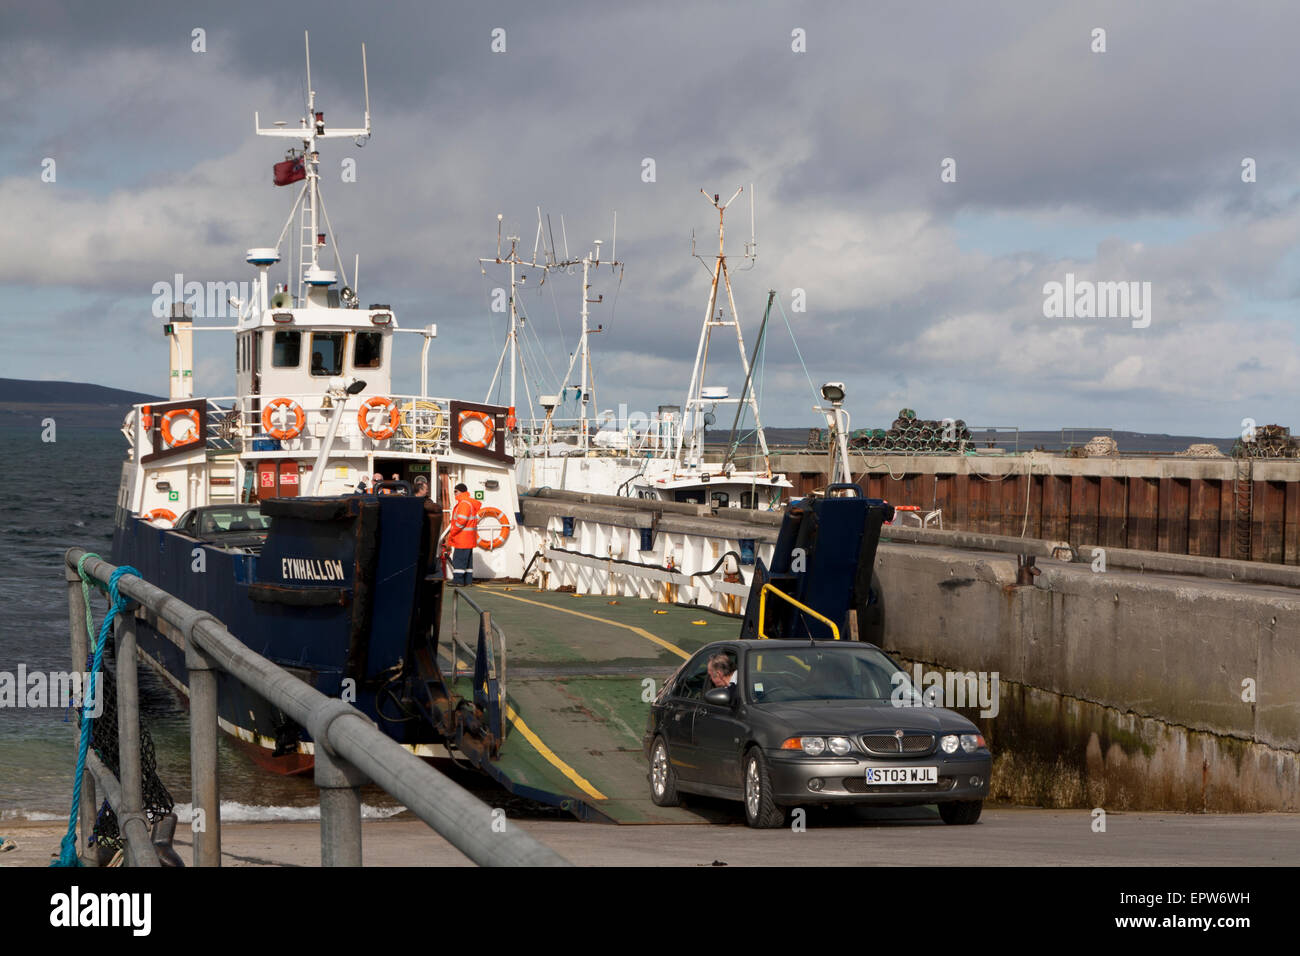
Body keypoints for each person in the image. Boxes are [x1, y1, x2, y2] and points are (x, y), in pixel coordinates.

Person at [447, 482, 481, 585]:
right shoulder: (468, 503)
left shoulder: (464, 503)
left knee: (459, 559)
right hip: (468, 538)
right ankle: (467, 580)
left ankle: (458, 581)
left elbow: (461, 521)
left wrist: (452, 532)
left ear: (461, 492)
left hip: (462, 538)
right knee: (467, 561)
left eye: (455, 491)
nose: (454, 493)